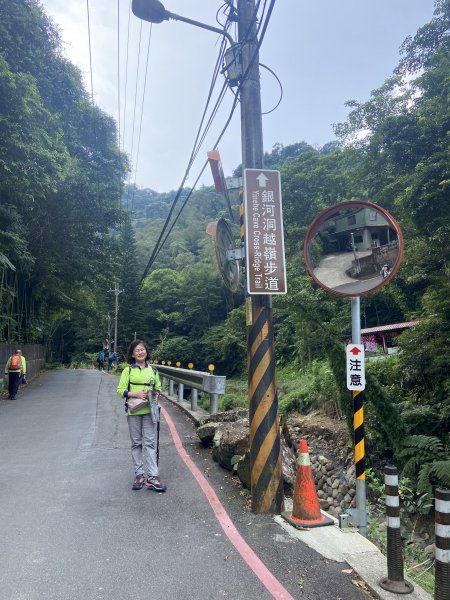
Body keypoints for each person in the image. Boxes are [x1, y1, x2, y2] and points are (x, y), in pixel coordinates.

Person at [117, 340, 166, 492]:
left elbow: (158, 388)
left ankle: (153, 476)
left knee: (150, 443)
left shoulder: (154, 371)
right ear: (132, 354)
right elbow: (120, 390)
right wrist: (134, 393)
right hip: (133, 412)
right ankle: (139, 475)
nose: (140, 352)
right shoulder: (128, 371)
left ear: (146, 352)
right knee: (136, 443)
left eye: (142, 349)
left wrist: (155, 395)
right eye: (137, 350)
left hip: (150, 412)